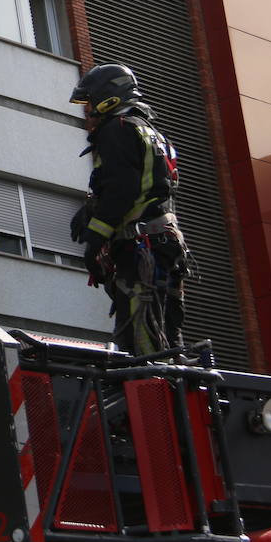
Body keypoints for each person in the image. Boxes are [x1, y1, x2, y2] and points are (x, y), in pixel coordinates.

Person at [68, 64, 191, 355]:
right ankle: (175, 390)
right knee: (165, 332)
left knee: (140, 337)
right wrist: (88, 212)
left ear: (107, 97)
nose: (89, 112)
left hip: (142, 248)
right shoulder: (150, 131)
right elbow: (149, 188)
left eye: (90, 104)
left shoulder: (117, 129)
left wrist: (95, 238)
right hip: (164, 243)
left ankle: (154, 391)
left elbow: (122, 191)